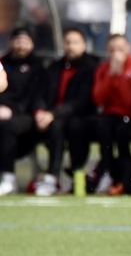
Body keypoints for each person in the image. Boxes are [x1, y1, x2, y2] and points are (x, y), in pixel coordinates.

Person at [32, 27, 98, 196]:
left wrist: (53, 114)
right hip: (51, 117)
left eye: (75, 43)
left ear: (84, 45)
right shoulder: (54, 68)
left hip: (79, 117)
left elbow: (82, 101)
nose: (71, 46)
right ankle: (51, 178)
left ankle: (76, 174)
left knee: (72, 126)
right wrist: (39, 112)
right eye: (67, 42)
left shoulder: (91, 67)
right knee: (53, 126)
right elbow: (41, 93)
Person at [90, 34, 131, 194]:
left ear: (128, 48)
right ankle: (106, 173)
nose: (117, 53)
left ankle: (125, 178)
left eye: (120, 49)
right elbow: (98, 99)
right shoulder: (104, 69)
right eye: (112, 50)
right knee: (103, 127)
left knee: (122, 130)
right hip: (110, 116)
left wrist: (119, 76)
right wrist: (111, 76)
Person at [0, 28, 47, 196]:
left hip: (24, 115)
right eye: (18, 41)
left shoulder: (38, 67)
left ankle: (8, 178)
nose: (21, 45)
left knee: (8, 126)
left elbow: (34, 97)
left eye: (25, 41)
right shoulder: (4, 61)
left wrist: (13, 110)